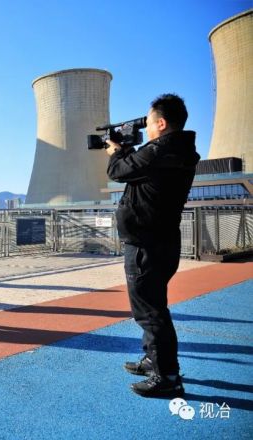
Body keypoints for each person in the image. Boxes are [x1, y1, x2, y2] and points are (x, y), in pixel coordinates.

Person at [106, 94, 199, 398]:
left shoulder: (159, 151)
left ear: (161, 123)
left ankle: (167, 376)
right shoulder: (180, 150)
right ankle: (152, 360)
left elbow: (117, 172)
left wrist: (116, 151)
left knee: (149, 311)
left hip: (145, 243)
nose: (146, 128)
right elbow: (137, 172)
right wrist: (127, 150)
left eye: (148, 122)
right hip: (162, 240)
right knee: (153, 304)